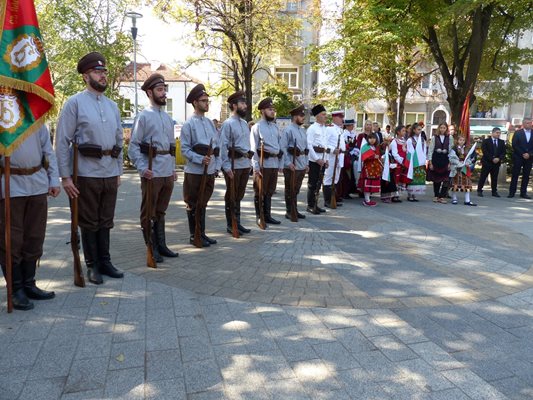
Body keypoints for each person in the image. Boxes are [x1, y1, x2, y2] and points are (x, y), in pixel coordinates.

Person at [56, 52, 124, 285]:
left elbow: (119, 141)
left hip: (109, 171)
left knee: (106, 219)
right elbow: (62, 141)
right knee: (88, 221)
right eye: (97, 72)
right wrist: (65, 177)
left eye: (104, 71)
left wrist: (118, 171)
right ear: (86, 76)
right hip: (85, 173)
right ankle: (92, 265)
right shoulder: (74, 103)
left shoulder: (113, 106)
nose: (103, 75)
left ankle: (105, 261)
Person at [0, 123, 60, 310]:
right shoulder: (3, 118)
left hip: (37, 183)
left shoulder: (37, 120)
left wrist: (53, 179)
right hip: (10, 184)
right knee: (12, 239)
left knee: (35, 236)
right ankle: (15, 289)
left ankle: (29, 283)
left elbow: (48, 151)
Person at [128, 73, 179, 260]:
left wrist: (173, 168)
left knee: (161, 210)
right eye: (159, 90)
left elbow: (172, 147)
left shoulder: (167, 118)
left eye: (164, 89)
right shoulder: (143, 116)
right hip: (152, 170)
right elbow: (133, 146)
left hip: (166, 170)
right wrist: (142, 168)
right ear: (149, 92)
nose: (164, 93)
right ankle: (151, 247)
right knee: (149, 211)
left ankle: (162, 244)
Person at [180, 83, 221, 247]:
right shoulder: (188, 124)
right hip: (195, 172)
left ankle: (202, 233)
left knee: (203, 203)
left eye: (207, 100)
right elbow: (184, 150)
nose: (207, 103)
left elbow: (216, 146)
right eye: (203, 100)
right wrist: (199, 159)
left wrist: (216, 166)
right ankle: (194, 235)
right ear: (195, 102)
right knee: (193, 203)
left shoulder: (211, 123)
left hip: (209, 170)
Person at [220, 91, 253, 234]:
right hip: (233, 165)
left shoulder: (244, 123)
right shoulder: (228, 124)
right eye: (242, 103)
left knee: (239, 195)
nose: (245, 106)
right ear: (234, 105)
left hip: (244, 164)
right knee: (232, 194)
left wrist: (250, 163)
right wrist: (226, 167)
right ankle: (230, 224)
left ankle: (237, 222)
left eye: (245, 103)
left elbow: (246, 144)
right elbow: (222, 146)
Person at [250, 97, 282, 226]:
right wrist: (256, 167)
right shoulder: (257, 127)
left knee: (270, 191)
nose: (273, 111)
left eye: (273, 109)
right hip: (263, 164)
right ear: (262, 111)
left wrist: (280, 164)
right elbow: (253, 148)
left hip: (274, 163)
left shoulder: (275, 127)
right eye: (270, 109)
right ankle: (259, 216)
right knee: (260, 191)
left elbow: (280, 147)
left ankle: (268, 215)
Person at [280, 104, 308, 220]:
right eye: (301, 115)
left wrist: (306, 163)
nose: (303, 118)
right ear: (295, 116)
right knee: (290, 189)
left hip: (301, 163)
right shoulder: (288, 130)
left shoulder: (302, 131)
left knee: (296, 189)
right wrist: (287, 163)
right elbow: (283, 148)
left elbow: (305, 149)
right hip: (292, 164)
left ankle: (294, 209)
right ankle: (289, 211)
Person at [306, 104, 328, 214]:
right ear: (317, 116)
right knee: (312, 183)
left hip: (322, 159)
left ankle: (316, 204)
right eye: (323, 115)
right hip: (314, 161)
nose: (325, 117)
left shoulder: (324, 128)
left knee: (319, 183)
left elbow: (325, 146)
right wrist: (317, 159)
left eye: (325, 114)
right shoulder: (312, 129)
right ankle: (310, 205)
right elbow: (309, 146)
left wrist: (326, 159)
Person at [323, 110, 345, 208]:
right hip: (331, 157)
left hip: (339, 157)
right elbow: (325, 144)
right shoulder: (329, 129)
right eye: (340, 117)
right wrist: (332, 150)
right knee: (328, 179)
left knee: (336, 179)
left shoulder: (340, 129)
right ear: (335, 118)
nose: (342, 119)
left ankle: (333, 198)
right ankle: (327, 200)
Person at [427, 122, 453, 203]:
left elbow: (451, 150)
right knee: (436, 179)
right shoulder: (435, 137)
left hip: (445, 159)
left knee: (446, 179)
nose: (442, 129)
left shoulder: (450, 137)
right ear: (439, 128)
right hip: (436, 159)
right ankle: (436, 195)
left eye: (444, 128)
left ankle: (442, 196)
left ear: (446, 129)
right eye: (441, 127)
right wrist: (430, 162)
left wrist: (450, 162)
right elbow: (430, 150)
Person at [508, 117, 533, 199]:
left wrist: (529, 154)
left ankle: (523, 193)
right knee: (515, 174)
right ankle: (512, 192)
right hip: (518, 157)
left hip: (529, 158)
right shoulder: (518, 133)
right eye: (527, 123)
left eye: (530, 123)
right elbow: (514, 145)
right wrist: (523, 153)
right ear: (523, 124)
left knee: (526, 175)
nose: (529, 124)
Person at [477, 127, 506, 197]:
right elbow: (485, 151)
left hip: (496, 163)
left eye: (499, 133)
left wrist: (499, 158)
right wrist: (492, 158)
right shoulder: (486, 141)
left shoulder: (501, 142)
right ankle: (479, 190)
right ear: (492, 133)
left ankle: (494, 191)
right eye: (497, 133)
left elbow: (503, 152)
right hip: (487, 162)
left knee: (494, 178)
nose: (498, 134)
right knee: (483, 176)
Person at [449, 135, 477, 206]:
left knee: (467, 184)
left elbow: (470, 158)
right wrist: (458, 163)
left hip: (465, 168)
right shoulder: (454, 148)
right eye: (460, 140)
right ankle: (454, 199)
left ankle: (467, 200)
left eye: (463, 140)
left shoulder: (467, 149)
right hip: (456, 168)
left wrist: (468, 162)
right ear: (457, 141)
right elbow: (452, 158)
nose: (462, 141)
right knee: (455, 184)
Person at [359, 132, 382, 206]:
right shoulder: (365, 147)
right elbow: (364, 157)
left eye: (374, 138)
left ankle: (368, 199)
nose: (372, 140)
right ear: (367, 139)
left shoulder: (376, 147)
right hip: (368, 168)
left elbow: (379, 155)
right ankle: (367, 200)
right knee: (367, 184)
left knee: (372, 184)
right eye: (370, 138)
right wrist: (372, 157)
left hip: (375, 169)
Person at [406, 122, 427, 201]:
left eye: (421, 130)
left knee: (418, 178)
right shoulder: (410, 140)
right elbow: (409, 150)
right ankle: (410, 194)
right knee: (412, 177)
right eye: (418, 129)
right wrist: (414, 158)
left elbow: (424, 149)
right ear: (414, 130)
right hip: (413, 160)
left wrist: (423, 158)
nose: (420, 131)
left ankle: (414, 194)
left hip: (420, 160)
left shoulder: (422, 139)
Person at [390, 125, 409, 199]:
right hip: (398, 162)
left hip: (404, 163)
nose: (405, 132)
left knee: (401, 178)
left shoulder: (404, 141)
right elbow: (394, 153)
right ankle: (394, 195)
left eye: (405, 131)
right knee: (396, 178)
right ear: (398, 132)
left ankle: (397, 194)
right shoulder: (394, 141)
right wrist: (401, 161)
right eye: (403, 131)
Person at [340, 118, 357, 199]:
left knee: (351, 173)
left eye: (353, 125)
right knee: (346, 174)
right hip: (346, 155)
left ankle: (348, 191)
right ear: (347, 126)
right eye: (351, 125)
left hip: (352, 155)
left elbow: (354, 144)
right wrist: (350, 150)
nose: (353, 126)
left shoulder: (353, 134)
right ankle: (344, 192)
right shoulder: (344, 134)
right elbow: (345, 145)